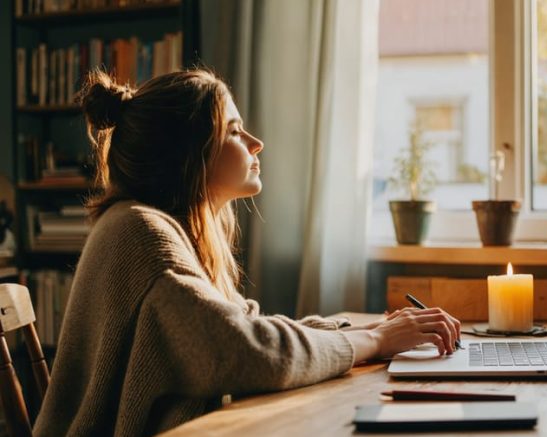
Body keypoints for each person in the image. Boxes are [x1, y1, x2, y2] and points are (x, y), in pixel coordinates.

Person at [34, 69, 461, 436]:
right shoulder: (140, 232)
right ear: (188, 152)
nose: (256, 143)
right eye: (235, 131)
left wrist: (360, 335)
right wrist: (374, 339)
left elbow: (248, 329)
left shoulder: (160, 225)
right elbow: (246, 351)